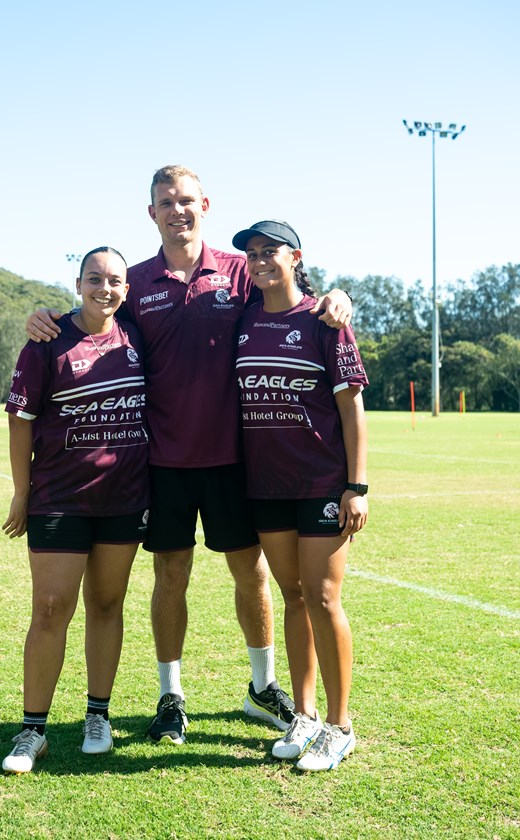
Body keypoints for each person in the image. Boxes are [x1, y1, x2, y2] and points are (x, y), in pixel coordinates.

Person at [25, 166, 353, 746]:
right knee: (169, 572)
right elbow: (93, 319)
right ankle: (170, 696)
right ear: (151, 213)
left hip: (236, 459)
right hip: (162, 459)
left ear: (206, 205)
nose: (177, 210)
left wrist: (337, 297)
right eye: (165, 202)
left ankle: (262, 687)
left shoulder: (239, 270)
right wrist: (45, 319)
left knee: (248, 570)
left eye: (186, 200)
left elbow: (290, 299)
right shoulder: (135, 281)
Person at [1, 247, 150, 773]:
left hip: (125, 497)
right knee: (49, 608)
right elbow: (21, 420)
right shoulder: (46, 341)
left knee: (107, 605)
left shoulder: (139, 336)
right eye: (94, 279)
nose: (103, 289)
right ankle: (32, 730)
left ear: (127, 290)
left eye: (114, 281)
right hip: (60, 498)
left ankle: (98, 715)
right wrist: (22, 492)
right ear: (78, 282)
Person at [232, 219, 368, 771]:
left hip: (321, 484)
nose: (260, 260)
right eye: (253, 254)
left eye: (271, 251)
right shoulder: (242, 319)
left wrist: (356, 487)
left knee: (324, 597)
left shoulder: (323, 321)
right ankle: (305, 714)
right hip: (266, 486)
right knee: (292, 595)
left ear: (296, 257)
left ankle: (341, 725)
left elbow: (351, 410)